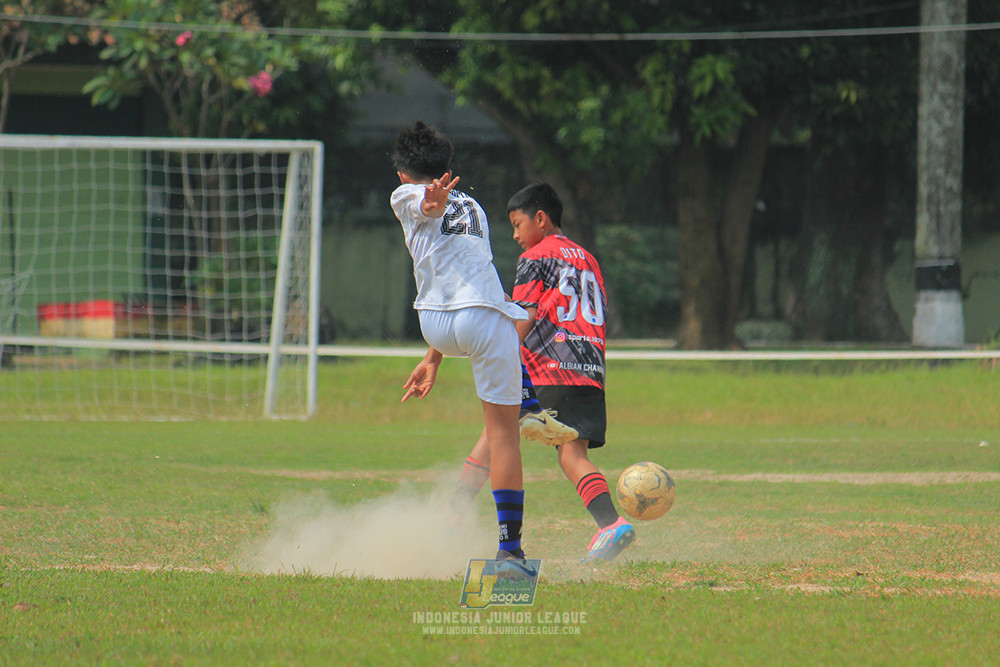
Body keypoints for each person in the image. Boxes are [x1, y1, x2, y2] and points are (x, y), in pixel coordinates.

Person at [450, 182, 635, 563]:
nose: (515, 236)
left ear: (540, 218)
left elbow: (525, 315)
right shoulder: (588, 258)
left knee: (498, 432)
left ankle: (454, 511)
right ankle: (611, 524)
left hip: (548, 367)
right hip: (589, 367)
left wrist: (499, 351)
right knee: (570, 453)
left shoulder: (535, 257)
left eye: (517, 225)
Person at [391, 120, 540, 562]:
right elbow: (428, 205)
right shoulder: (470, 206)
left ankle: (529, 397)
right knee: (503, 436)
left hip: (435, 323)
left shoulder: (401, 193)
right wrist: (433, 203)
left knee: (507, 316)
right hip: (480, 320)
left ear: (402, 171)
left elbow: (434, 228)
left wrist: (433, 357)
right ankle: (509, 553)